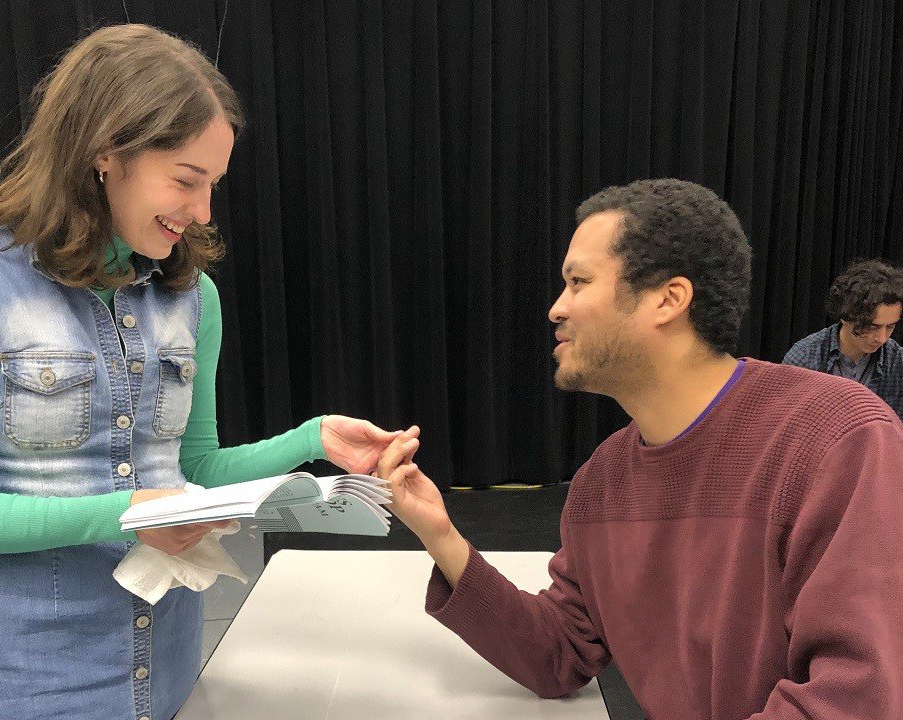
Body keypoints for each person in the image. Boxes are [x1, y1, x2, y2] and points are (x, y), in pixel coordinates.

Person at [0, 24, 400, 720]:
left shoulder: (192, 298)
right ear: (103, 153)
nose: (204, 211)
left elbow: (197, 468)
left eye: (213, 184)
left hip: (172, 661)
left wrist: (311, 441)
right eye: (186, 180)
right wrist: (128, 513)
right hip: (32, 680)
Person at [377, 179, 903, 718]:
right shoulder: (602, 484)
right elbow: (557, 654)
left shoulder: (839, 437)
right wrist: (438, 533)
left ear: (668, 299)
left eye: (579, 282)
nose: (557, 308)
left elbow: (854, 698)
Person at [783, 259, 903, 420]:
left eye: (889, 327)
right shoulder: (804, 358)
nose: (881, 338)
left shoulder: (897, 362)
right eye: (871, 327)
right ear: (846, 317)